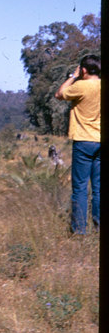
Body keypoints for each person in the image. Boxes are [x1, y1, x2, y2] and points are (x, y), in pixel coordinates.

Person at [55, 54, 101, 235]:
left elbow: (59, 94)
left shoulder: (80, 86)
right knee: (98, 188)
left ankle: (80, 231)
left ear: (83, 70)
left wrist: (73, 77)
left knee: (81, 188)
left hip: (84, 141)